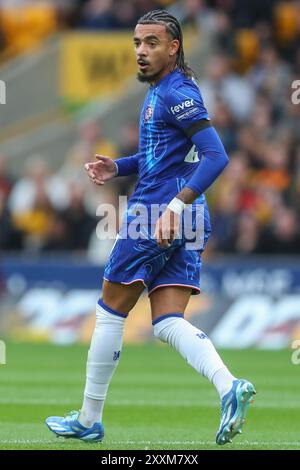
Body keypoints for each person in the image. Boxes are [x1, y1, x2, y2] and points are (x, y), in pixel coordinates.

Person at [46, 9, 256, 446]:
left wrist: (174, 208)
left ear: (174, 47)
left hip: (160, 211)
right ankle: (229, 386)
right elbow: (164, 157)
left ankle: (88, 417)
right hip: (188, 214)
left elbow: (217, 156)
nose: (141, 52)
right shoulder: (169, 90)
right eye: (137, 44)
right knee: (166, 321)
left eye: (152, 43)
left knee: (110, 307)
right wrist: (119, 166)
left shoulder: (176, 92)